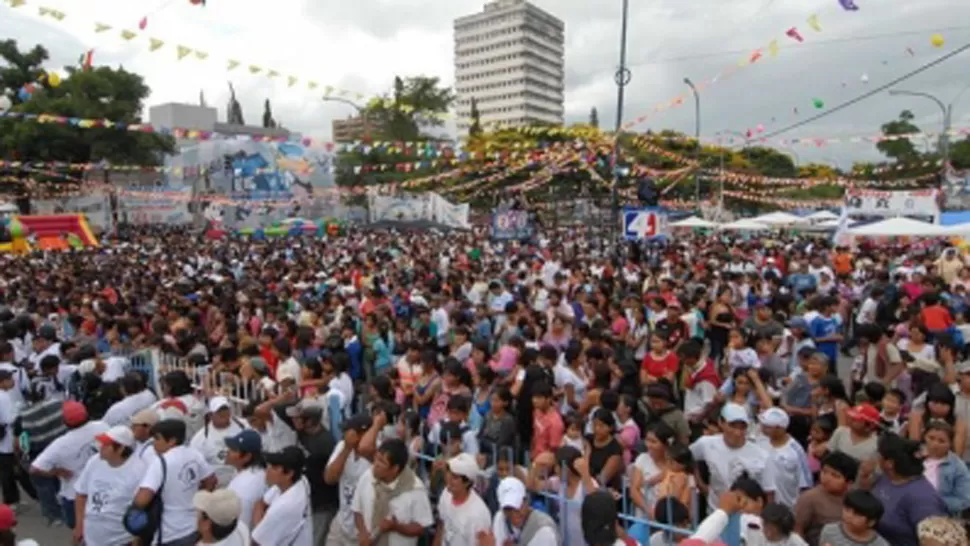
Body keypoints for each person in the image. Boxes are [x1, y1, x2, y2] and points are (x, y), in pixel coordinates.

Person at [133, 419, 218, 546]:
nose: (154, 444)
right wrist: (199, 501)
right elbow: (211, 480)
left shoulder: (161, 462)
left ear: (172, 440)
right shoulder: (194, 454)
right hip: (195, 527)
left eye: (157, 439)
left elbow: (141, 500)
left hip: (170, 533)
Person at [29, 401, 108, 529]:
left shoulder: (59, 445)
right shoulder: (103, 427)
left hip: (74, 495)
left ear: (65, 421)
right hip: (103, 488)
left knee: (80, 531)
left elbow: (34, 469)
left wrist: (56, 471)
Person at [689, 403, 777, 513]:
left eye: (742, 427)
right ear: (721, 423)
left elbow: (769, 493)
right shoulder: (706, 444)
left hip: (746, 518)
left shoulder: (762, 455)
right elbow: (689, 457)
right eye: (732, 426)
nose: (737, 432)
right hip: (715, 513)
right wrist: (701, 484)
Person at [862, 433, 946, 545]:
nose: (877, 457)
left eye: (880, 454)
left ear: (889, 463)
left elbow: (935, 541)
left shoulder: (923, 499)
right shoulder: (886, 477)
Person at [351, 438, 434, 546]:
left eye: (382, 462)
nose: (376, 465)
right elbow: (357, 510)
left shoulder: (415, 489)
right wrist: (363, 534)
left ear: (395, 468)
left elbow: (421, 527)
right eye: (376, 458)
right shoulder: (368, 476)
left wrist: (396, 527)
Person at [73, 425, 146, 546]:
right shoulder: (94, 462)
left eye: (106, 445)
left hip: (120, 541)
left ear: (121, 449)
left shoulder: (138, 471)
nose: (101, 447)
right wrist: (79, 525)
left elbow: (143, 509)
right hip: (90, 538)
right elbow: (81, 494)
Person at [323, 413, 374, 546]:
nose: (345, 434)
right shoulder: (342, 446)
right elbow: (329, 478)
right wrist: (347, 448)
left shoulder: (377, 453)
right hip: (342, 523)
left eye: (349, 431)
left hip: (364, 530)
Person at [793, 452, 859, 546]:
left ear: (849, 482)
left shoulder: (855, 497)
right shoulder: (809, 498)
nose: (826, 478)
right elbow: (797, 529)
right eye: (824, 471)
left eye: (835, 476)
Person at [252, 446, 312, 546]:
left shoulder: (283, 508)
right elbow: (260, 503)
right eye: (269, 465)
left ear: (289, 474)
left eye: (274, 467)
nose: (267, 470)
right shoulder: (300, 480)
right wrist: (263, 526)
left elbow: (256, 543)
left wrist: (262, 528)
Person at [481, 476, 559, 546]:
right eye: (508, 509)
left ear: (527, 501)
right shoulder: (500, 519)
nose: (514, 513)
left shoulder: (544, 530)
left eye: (518, 506)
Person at [190, 396, 248, 488]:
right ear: (210, 415)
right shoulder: (200, 438)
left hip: (243, 478)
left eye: (225, 409)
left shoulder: (244, 425)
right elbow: (196, 465)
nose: (224, 412)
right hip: (218, 483)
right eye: (219, 410)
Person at [434, 453, 491, 546]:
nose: (449, 479)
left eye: (455, 477)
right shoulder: (446, 493)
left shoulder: (479, 515)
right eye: (449, 473)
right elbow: (441, 527)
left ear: (467, 482)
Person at [224, 429, 267, 529]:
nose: (228, 452)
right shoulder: (258, 471)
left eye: (234, 450)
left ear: (247, 457)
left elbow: (240, 526)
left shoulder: (244, 488)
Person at [817, 490, 890, 546]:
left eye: (857, 514)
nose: (849, 516)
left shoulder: (881, 544)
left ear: (871, 522)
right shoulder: (829, 531)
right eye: (847, 510)